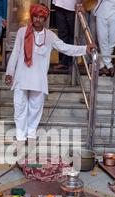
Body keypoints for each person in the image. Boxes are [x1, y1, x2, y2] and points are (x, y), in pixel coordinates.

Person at [5, 4, 95, 157]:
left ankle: (31, 137)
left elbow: (65, 48)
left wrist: (84, 48)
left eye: (41, 17)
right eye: (35, 16)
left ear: (45, 19)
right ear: (32, 17)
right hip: (21, 76)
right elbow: (15, 53)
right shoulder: (22, 32)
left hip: (38, 79)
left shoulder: (50, 36)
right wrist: (9, 72)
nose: (38, 19)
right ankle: (20, 139)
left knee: (35, 109)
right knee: (20, 108)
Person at [93, 0, 115, 77]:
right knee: (102, 41)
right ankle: (109, 65)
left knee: (112, 42)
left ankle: (102, 64)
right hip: (101, 11)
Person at [53, 0, 79, 71]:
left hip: (72, 7)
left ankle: (71, 62)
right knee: (62, 34)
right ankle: (63, 62)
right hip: (59, 4)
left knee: (72, 35)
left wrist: (80, 3)